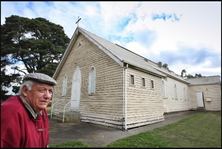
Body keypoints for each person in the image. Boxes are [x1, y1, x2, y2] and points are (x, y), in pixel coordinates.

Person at [1, 73, 57, 148]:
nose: (47, 96)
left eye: (50, 91)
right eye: (42, 90)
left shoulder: (41, 110)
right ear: (25, 90)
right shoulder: (10, 112)